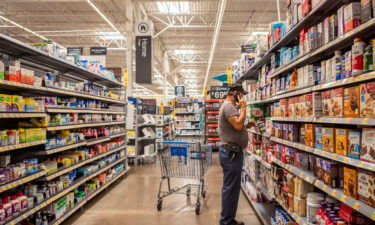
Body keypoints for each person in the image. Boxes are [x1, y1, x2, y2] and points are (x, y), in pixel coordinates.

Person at [218, 84, 256, 225]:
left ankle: (229, 219)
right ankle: (226, 221)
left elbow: (236, 128)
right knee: (230, 189)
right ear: (235, 94)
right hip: (231, 153)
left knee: (232, 189)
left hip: (232, 152)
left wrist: (248, 126)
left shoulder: (230, 107)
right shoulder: (229, 106)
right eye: (242, 94)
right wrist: (243, 107)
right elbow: (238, 125)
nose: (243, 97)